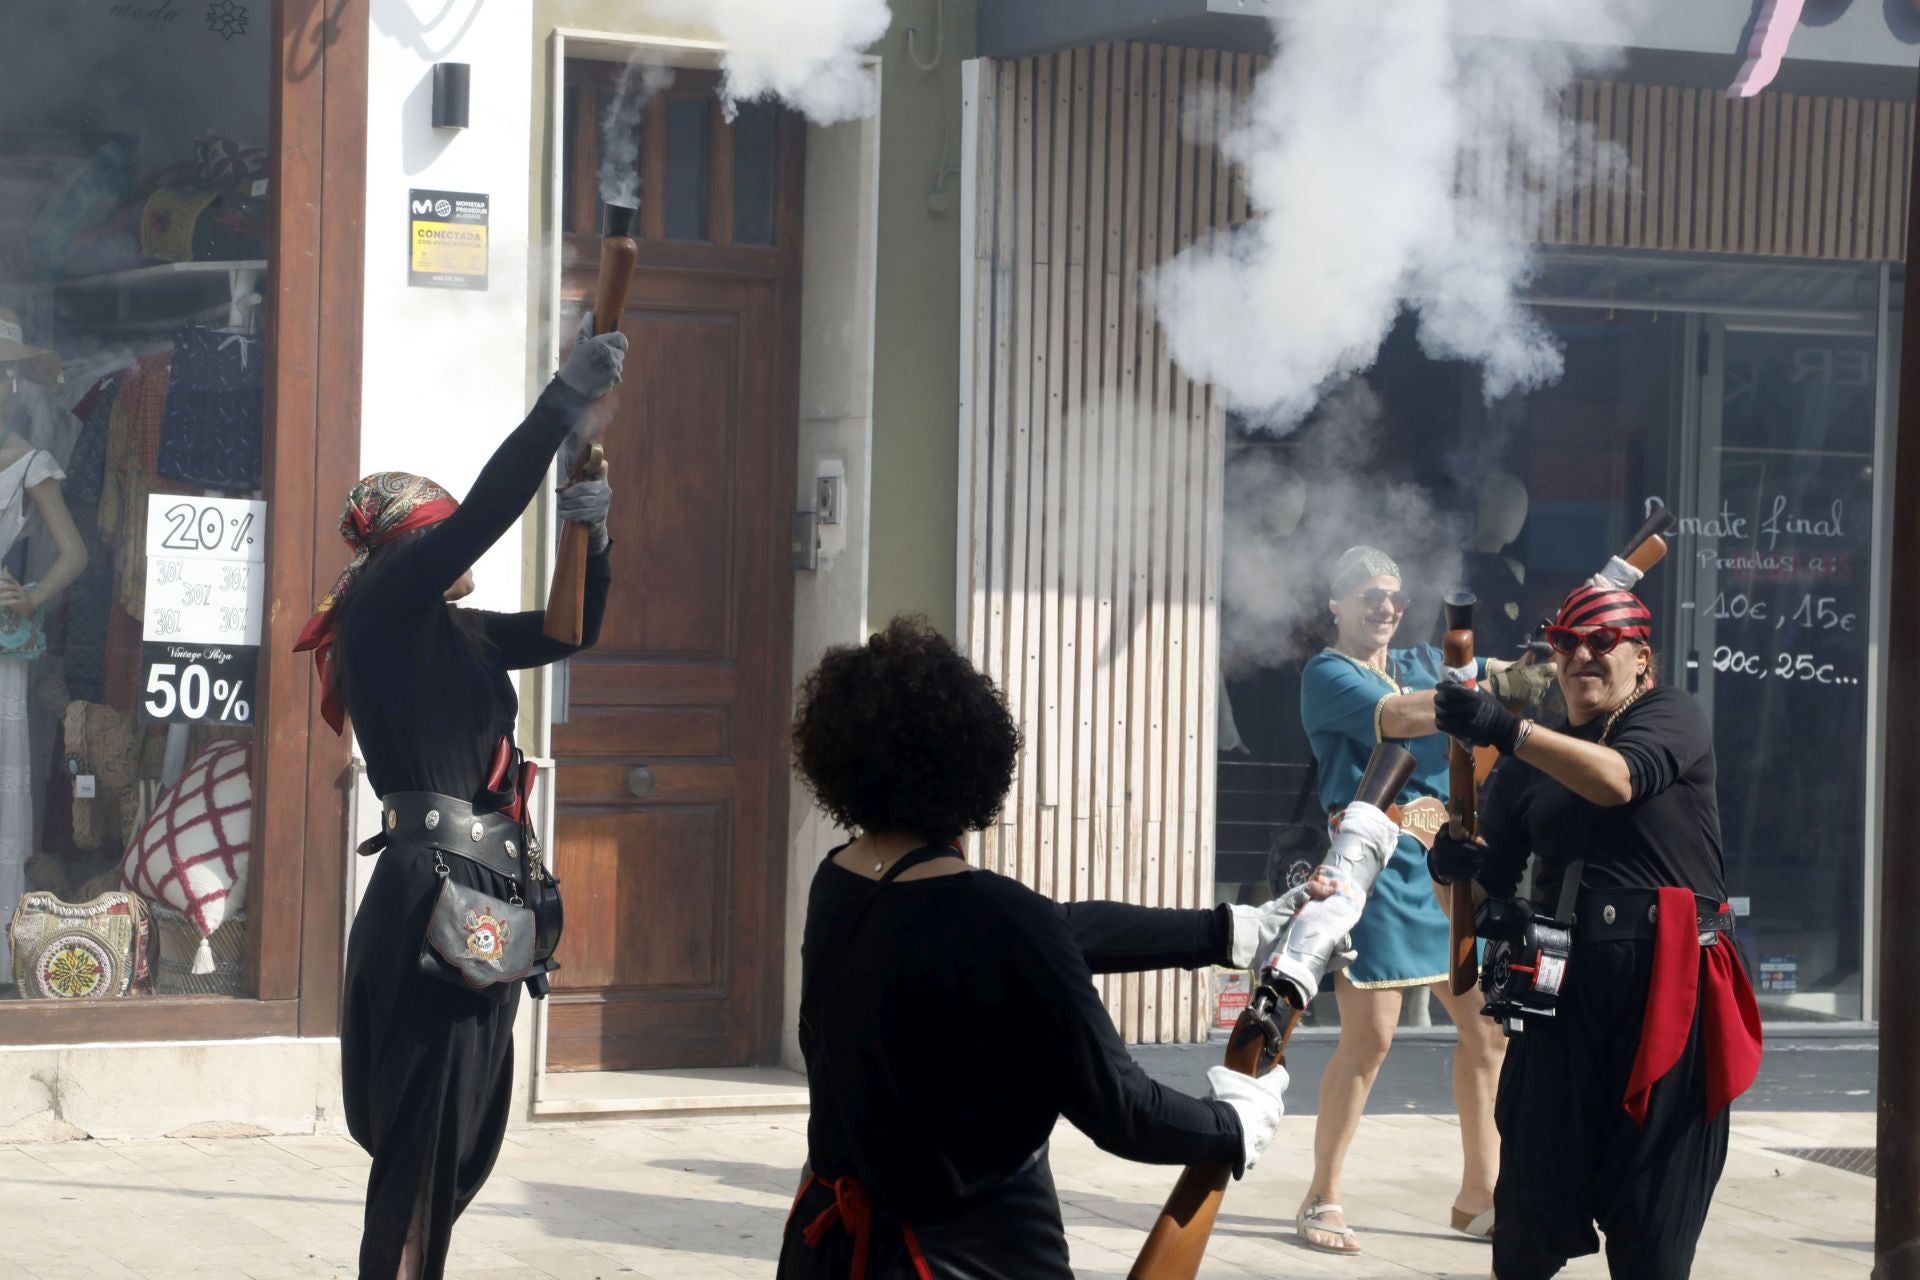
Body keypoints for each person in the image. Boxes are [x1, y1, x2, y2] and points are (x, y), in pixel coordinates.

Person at [777, 616, 1300, 1279]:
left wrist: (1224, 932)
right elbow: (1125, 1111)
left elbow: (1053, 929)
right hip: (966, 1261)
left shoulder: (839, 881)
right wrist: (1233, 1123)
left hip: (825, 1254)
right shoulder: (998, 919)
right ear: (971, 761)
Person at [294, 320, 627, 1279]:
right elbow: (483, 513)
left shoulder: (456, 633)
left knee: (455, 1146)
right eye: (436, 538)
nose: (456, 551)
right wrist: (562, 403)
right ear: (409, 550)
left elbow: (568, 632)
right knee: (419, 1147)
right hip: (435, 896)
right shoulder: (383, 612)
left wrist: (594, 536)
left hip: (485, 894)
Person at [1431, 583, 1763, 1280]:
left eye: (1602, 641)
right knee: (1526, 1226)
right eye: (1567, 642)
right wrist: (1450, 869)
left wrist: (1508, 729)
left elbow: (1619, 780)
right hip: (1562, 998)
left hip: (1668, 993)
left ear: (1641, 657)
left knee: (1651, 1240)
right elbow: (1479, 902)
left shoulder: (1670, 714)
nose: (1583, 654)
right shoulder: (1528, 763)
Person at [1294, 545, 1548, 1255]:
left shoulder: (1419, 661)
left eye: (1394, 596)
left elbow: (1499, 674)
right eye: (1369, 594)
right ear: (1337, 605)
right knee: (1369, 1040)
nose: (1385, 606)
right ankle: (1321, 1196)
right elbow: (1401, 716)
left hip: (1441, 866)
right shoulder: (1326, 673)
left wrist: (1536, 663)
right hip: (1371, 867)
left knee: (1488, 1031)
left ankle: (1479, 1197)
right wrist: (1484, 690)